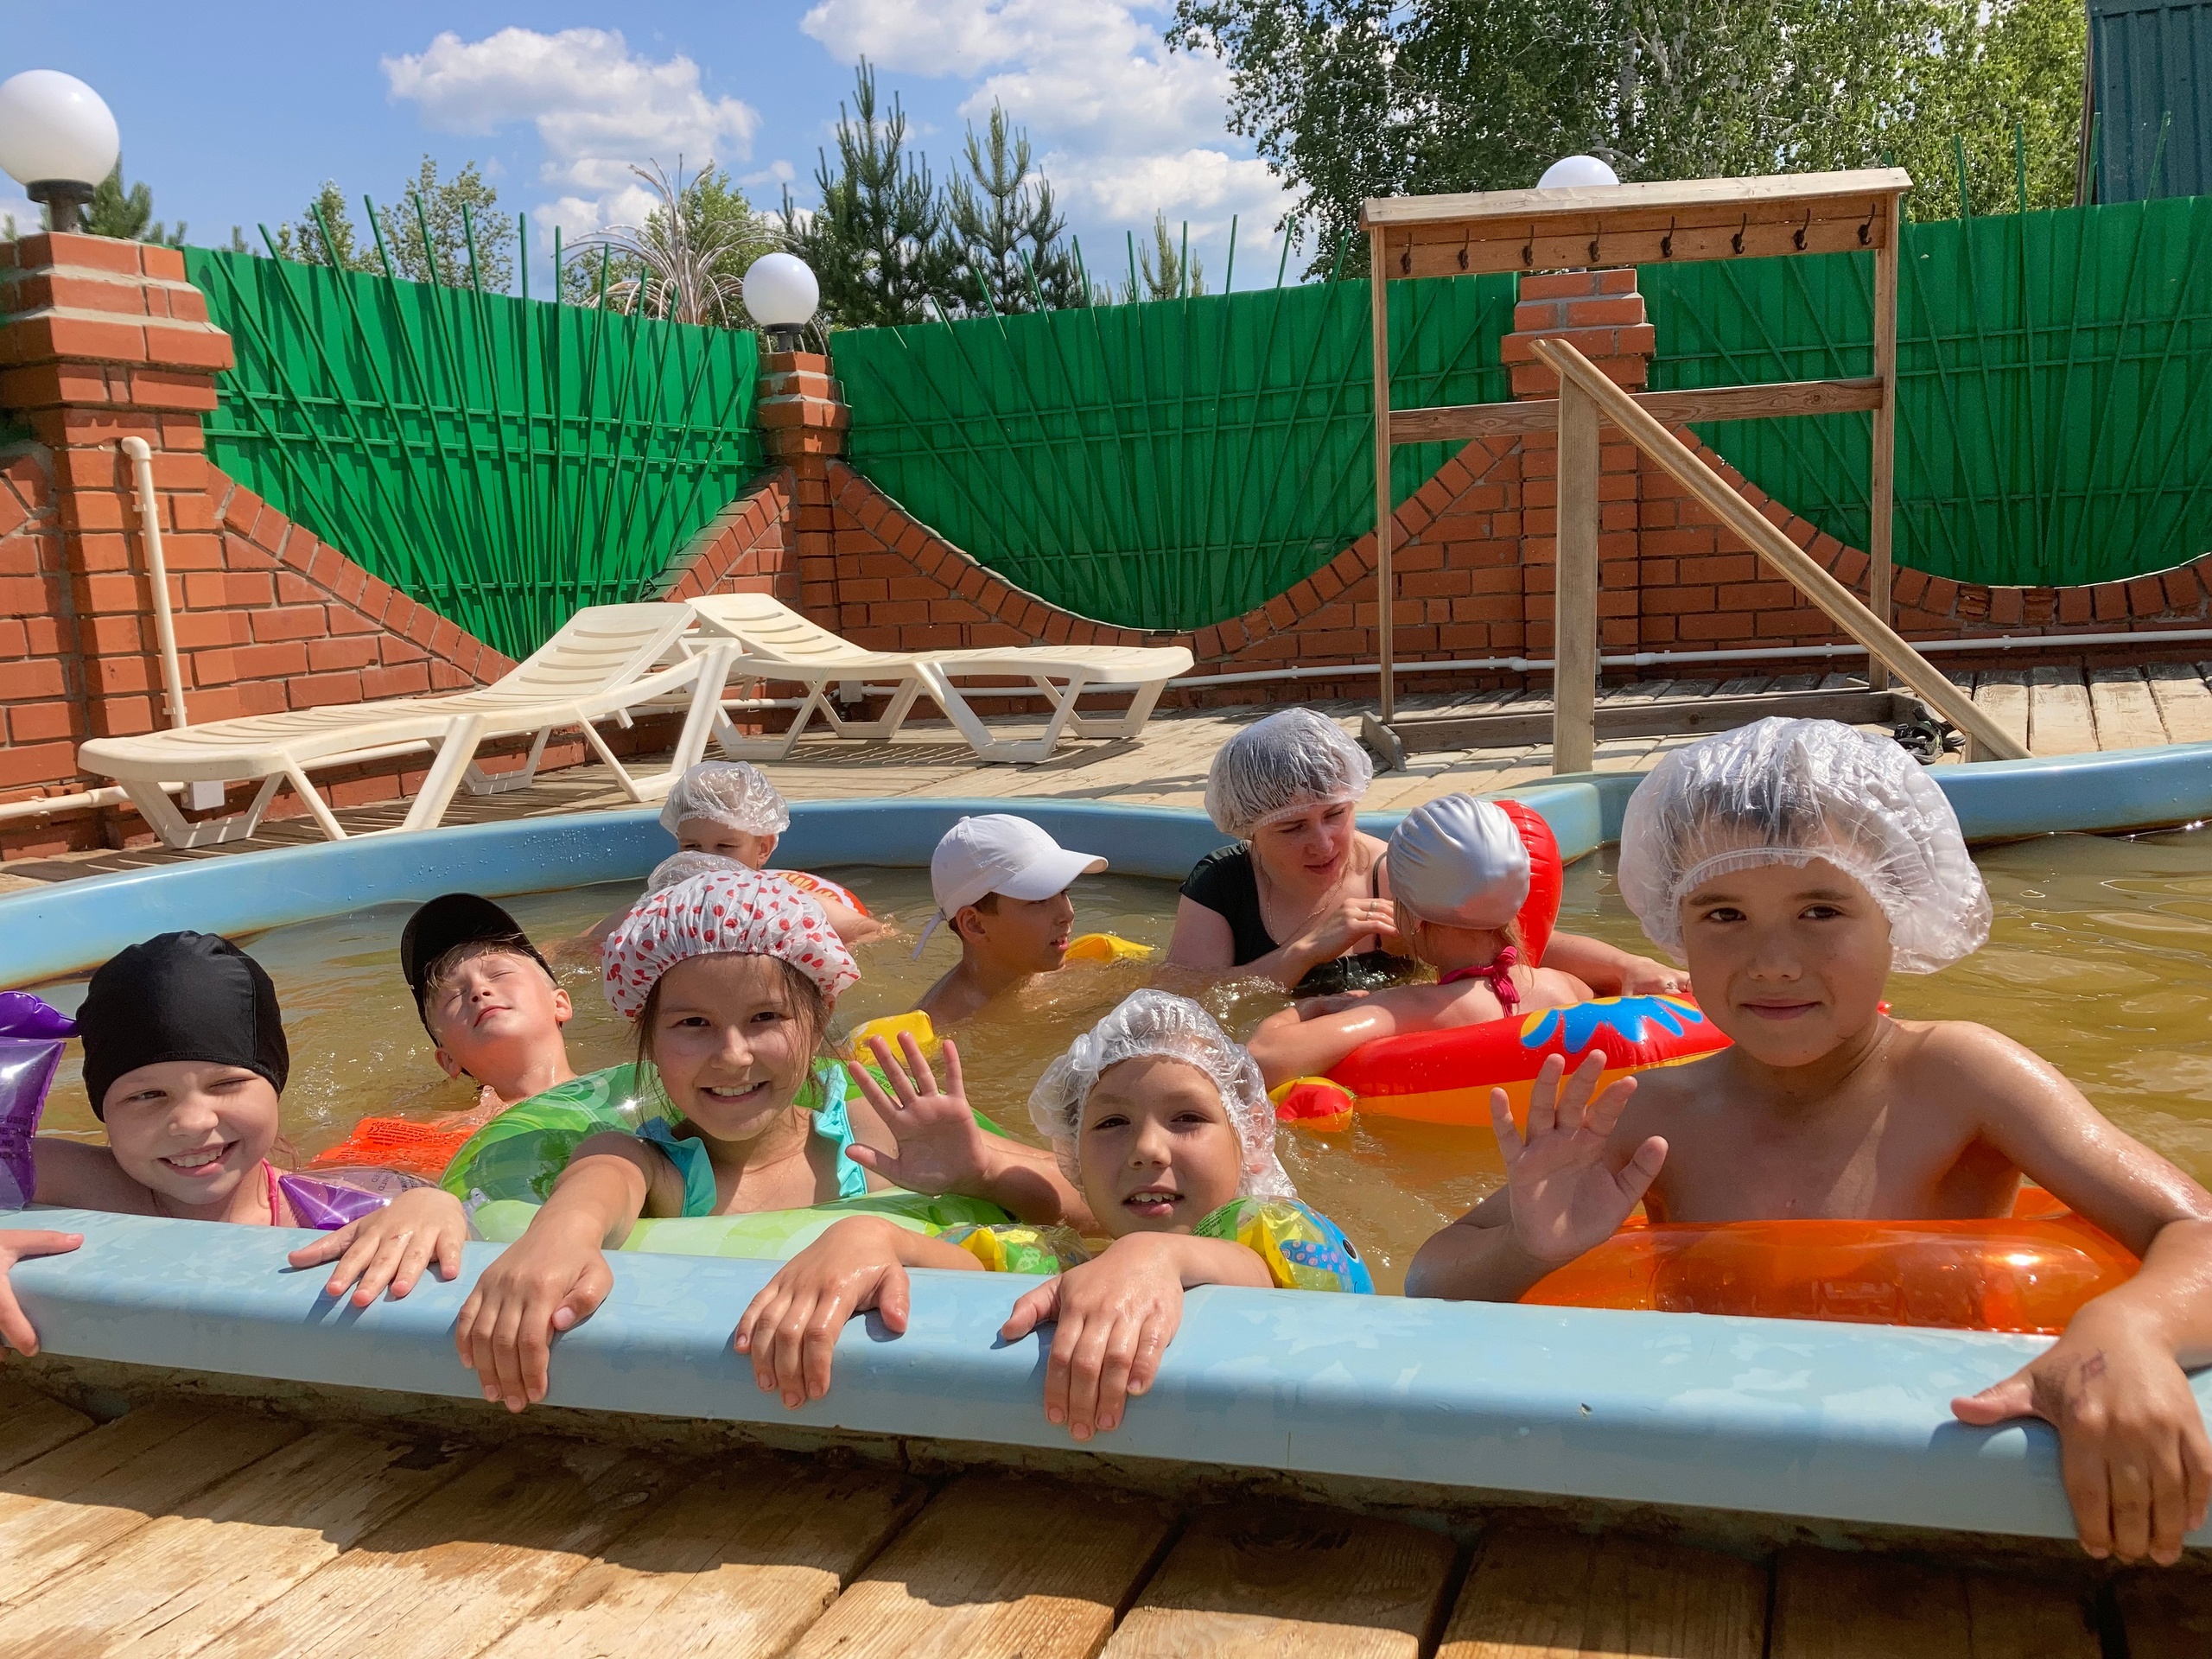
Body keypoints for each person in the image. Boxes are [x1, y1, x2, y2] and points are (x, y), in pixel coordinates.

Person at [1405, 718, 2212, 1567]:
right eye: (1723, 914)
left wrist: (2126, 1328)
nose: (1773, 962)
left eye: (1820, 910)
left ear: (1896, 910)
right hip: (1711, 1495)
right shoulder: (1652, 1115)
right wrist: (1529, 1252)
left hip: (1940, 1480)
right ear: (1675, 928)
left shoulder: (1960, 1079)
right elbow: (1430, 1282)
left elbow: (2194, 1231)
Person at [454, 867, 1083, 1413]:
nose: (732, 1055)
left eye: (765, 1018)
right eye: (692, 1023)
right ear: (650, 1040)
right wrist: (560, 1235)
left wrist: (981, 1173)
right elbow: (600, 1176)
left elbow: (1095, 1204)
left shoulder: (873, 1133)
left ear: (818, 1020)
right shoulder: (657, 1166)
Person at [734, 990, 1370, 1440]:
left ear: (1250, 1135)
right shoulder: (1067, 1260)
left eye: (1187, 1118)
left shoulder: (1282, 1230)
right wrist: (869, 1236)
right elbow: (968, 1266)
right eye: (1112, 1123)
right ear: (1073, 1157)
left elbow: (1285, 1281)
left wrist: (1160, 1253)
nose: (1147, 1149)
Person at [16, 932, 467, 1309]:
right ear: (105, 1113)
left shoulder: (330, 1208)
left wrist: (435, 1206)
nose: (192, 1122)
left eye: (226, 1084)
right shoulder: (80, 1181)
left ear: (275, 1090)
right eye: (147, 1095)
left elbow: (437, 1211)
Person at [1166, 708, 1678, 998]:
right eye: (1291, 828)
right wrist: (1304, 952)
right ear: (1250, 829)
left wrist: (1627, 966)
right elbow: (1182, 998)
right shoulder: (1222, 885)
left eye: (1335, 815)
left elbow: (1504, 934)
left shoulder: (1392, 871)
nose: (1322, 843)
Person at [1247, 793, 1594, 1088]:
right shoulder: (1563, 987)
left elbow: (1265, 1059)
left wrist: (1312, 1008)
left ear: (1412, 916)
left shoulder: (1407, 1009)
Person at [910, 814, 1113, 1028]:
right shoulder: (941, 1026)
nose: (1067, 914)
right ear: (975, 925)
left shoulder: (1087, 966)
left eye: (1064, 891)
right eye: (1039, 901)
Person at [658, 760, 881, 945]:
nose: (708, 861)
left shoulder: (785, 901)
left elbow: (871, 931)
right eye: (691, 847)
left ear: (763, 848)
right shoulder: (670, 901)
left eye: (725, 847)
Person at [404, 894, 577, 1120]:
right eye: (455, 996)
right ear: (448, 1060)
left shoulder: (622, 1088)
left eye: (499, 974)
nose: (478, 990)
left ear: (559, 1004)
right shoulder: (442, 1133)